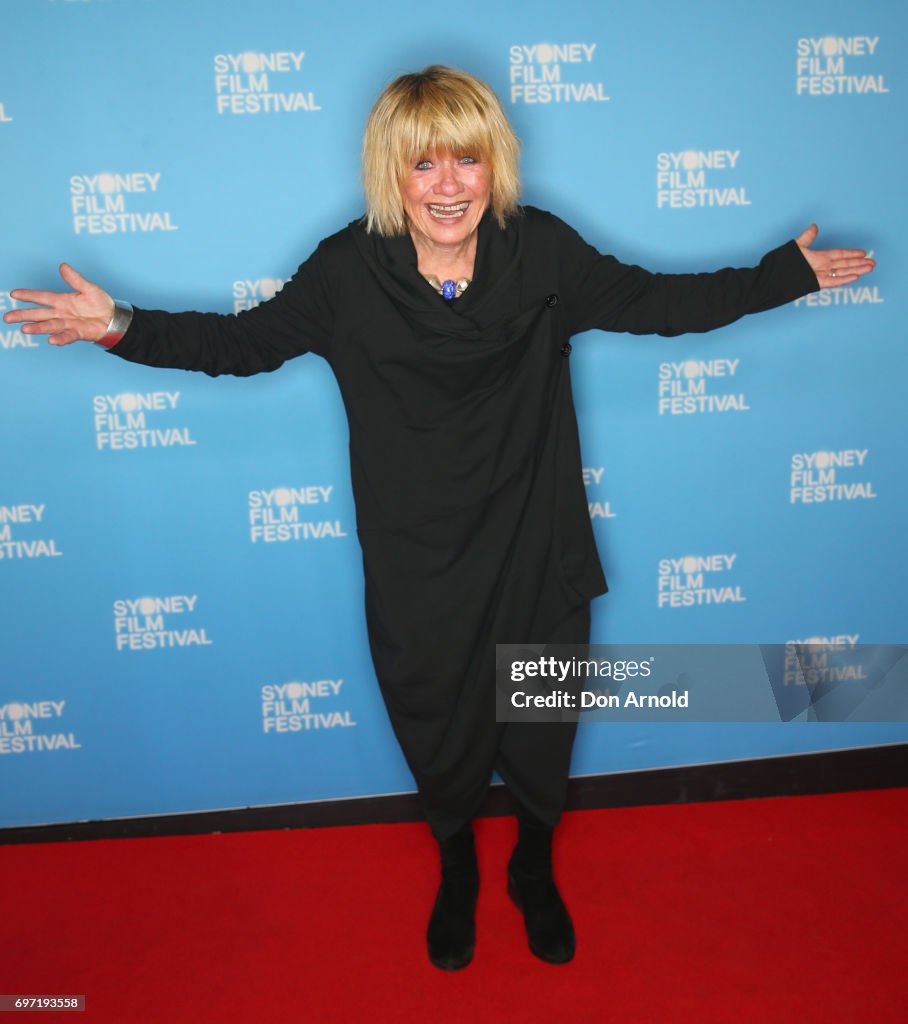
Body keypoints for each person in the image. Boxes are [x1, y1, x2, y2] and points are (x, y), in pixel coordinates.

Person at [4, 65, 875, 971]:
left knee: (540, 723)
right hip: (419, 561)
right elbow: (241, 345)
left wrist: (784, 277)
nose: (448, 185)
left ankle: (532, 865)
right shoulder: (347, 271)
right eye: (424, 165)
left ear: (495, 165)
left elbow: (660, 304)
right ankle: (458, 863)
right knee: (439, 726)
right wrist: (121, 326)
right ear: (392, 174)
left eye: (466, 159)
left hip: (535, 545)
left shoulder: (540, 253)